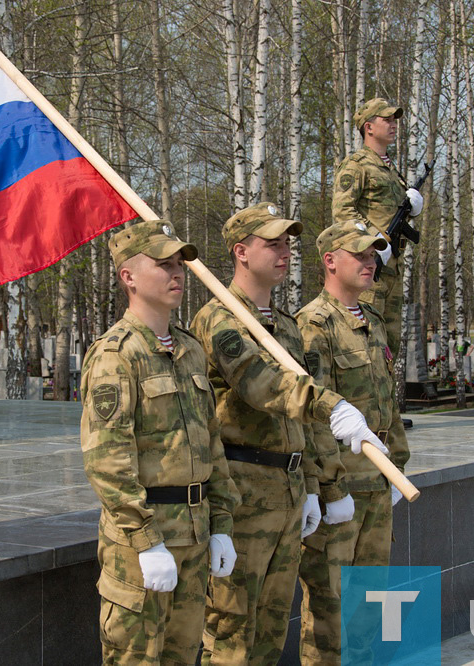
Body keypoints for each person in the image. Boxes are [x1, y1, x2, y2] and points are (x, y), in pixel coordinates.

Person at [190, 203, 387, 665]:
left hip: (287, 490)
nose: (285, 252)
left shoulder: (286, 326)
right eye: (273, 243)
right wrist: (332, 403)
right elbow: (262, 386)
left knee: (271, 633)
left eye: (288, 243)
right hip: (242, 494)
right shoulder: (221, 319)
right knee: (233, 634)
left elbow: (302, 422)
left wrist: (315, 487)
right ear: (241, 252)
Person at [80, 219, 240, 665]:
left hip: (194, 532)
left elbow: (213, 446)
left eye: (180, 265)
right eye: (163, 264)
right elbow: (108, 461)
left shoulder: (190, 349)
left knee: (183, 656)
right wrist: (146, 540)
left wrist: (222, 523)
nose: (177, 274)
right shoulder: (117, 354)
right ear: (128, 276)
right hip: (142, 543)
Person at [295, 221, 411, 664]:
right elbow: (313, 413)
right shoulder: (313, 324)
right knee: (331, 611)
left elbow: (387, 402)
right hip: (342, 487)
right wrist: (328, 486)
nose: (370, 262)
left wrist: (397, 465)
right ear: (330, 261)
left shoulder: (373, 320)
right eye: (360, 254)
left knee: (369, 605)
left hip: (378, 484)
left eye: (374, 254)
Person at [331, 97, 425, 356]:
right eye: (387, 119)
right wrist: (375, 240)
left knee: (389, 346)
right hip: (369, 267)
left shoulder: (391, 170)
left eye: (395, 120)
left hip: (393, 266)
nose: (393, 124)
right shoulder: (357, 165)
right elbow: (342, 212)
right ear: (369, 127)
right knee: (366, 342)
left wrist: (413, 208)